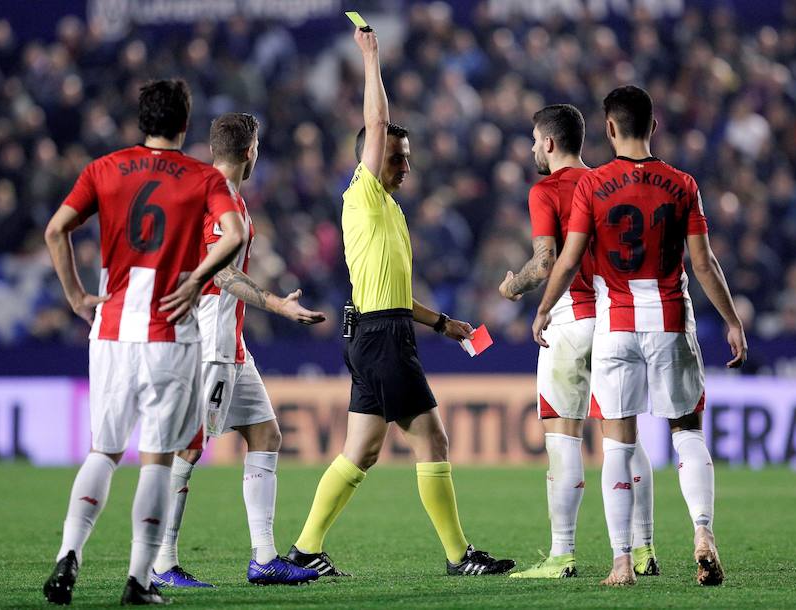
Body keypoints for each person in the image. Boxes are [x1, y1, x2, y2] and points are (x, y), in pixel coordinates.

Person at [283, 26, 514, 578]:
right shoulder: (362, 193)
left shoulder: (389, 208)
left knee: (360, 450)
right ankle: (460, 557)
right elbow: (378, 122)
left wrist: (444, 324)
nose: (405, 164)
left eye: (407, 157)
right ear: (372, 156)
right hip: (380, 338)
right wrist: (371, 57)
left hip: (378, 329)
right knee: (431, 436)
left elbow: (392, 292)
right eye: (398, 157)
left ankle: (304, 551)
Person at [42, 79, 246, 605]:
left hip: (109, 330)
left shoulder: (102, 169)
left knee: (104, 451)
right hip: (171, 334)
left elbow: (55, 229)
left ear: (141, 121)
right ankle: (138, 579)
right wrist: (198, 277)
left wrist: (75, 296)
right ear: (184, 123)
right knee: (156, 460)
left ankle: (69, 553)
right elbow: (235, 235)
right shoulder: (202, 177)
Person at [532, 85, 747, 586]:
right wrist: (733, 321)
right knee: (687, 434)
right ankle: (702, 533)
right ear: (654, 127)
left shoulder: (593, 184)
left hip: (617, 325)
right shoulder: (683, 184)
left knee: (619, 447)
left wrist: (544, 309)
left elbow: (566, 260)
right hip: (672, 321)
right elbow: (704, 263)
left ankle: (622, 561)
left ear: (609, 129)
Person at [151, 112, 325, 588]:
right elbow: (221, 275)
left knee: (267, 436)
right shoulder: (218, 198)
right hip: (211, 348)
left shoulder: (213, 193)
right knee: (186, 451)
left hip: (231, 346)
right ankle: (161, 563)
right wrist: (277, 305)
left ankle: (264, 559)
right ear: (251, 152)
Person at [499, 104, 658, 579]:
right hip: (616, 322)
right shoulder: (610, 183)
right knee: (625, 441)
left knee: (563, 438)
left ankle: (562, 555)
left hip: (569, 323)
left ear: (549, 142)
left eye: (533, 140)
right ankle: (645, 550)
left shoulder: (545, 189)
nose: (531, 148)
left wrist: (512, 286)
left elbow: (546, 262)